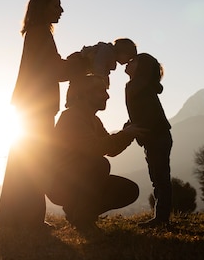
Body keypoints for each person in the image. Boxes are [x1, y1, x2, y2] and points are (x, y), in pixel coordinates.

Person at [0, 0, 85, 230]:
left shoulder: (36, 33)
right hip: (36, 107)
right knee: (35, 164)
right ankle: (29, 220)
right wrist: (83, 61)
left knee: (24, 162)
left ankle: (13, 219)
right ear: (43, 7)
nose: (62, 10)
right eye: (57, 5)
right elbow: (56, 70)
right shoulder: (40, 34)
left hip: (29, 105)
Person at [46, 75, 145, 231]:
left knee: (129, 190)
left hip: (77, 179)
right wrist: (125, 134)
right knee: (99, 164)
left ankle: (75, 212)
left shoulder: (93, 119)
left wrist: (128, 133)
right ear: (84, 94)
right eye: (101, 91)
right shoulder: (72, 117)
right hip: (60, 183)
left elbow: (111, 149)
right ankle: (83, 219)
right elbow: (94, 148)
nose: (107, 96)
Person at [124, 53, 173, 228]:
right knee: (159, 178)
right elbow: (141, 113)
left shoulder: (136, 86)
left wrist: (132, 128)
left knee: (160, 179)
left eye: (133, 60)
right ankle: (160, 217)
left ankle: (161, 219)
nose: (129, 61)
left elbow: (144, 115)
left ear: (141, 68)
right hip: (156, 137)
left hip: (156, 137)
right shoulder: (140, 86)